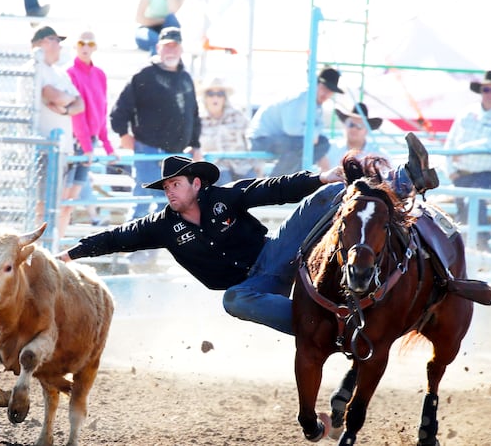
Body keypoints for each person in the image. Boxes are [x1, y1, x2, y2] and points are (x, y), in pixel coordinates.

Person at [55, 134, 438, 335]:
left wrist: (320, 177)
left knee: (327, 193)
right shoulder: (162, 226)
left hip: (276, 256)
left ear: (196, 183)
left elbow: (270, 189)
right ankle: (318, 326)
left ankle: (406, 179)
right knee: (234, 300)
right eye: (166, 187)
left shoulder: (223, 198)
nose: (170, 191)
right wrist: (70, 255)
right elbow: (116, 237)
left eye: (175, 184)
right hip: (251, 285)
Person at [110, 26, 201, 265]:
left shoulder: (185, 78)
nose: (171, 50)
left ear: (181, 49)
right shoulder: (144, 75)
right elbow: (120, 110)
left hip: (176, 153)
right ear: (158, 47)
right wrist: (123, 134)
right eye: (167, 45)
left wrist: (196, 144)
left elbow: (193, 113)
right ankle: (129, 251)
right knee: (144, 199)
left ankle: (146, 257)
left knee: (169, 204)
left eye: (175, 45)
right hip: (149, 149)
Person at [18, 25, 85, 235]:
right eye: (55, 40)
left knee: (54, 203)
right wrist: (65, 100)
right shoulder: (34, 67)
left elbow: (79, 104)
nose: (59, 46)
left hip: (59, 149)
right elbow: (52, 95)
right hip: (42, 148)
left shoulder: (58, 72)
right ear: (43, 42)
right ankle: (38, 245)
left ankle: (48, 244)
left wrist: (65, 107)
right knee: (41, 203)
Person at [443, 70, 491, 252]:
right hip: (461, 173)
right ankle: (467, 254)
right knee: (463, 213)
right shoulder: (467, 112)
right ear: (481, 91)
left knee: (472, 206)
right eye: (486, 89)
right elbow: (451, 140)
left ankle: (481, 250)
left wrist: (464, 150)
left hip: (487, 172)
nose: (490, 93)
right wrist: (450, 170)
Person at [248, 67, 342, 177]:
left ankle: (283, 179)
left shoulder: (314, 104)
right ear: (316, 84)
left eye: (330, 91)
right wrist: (314, 136)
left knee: (319, 144)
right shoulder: (300, 99)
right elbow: (292, 129)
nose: (326, 93)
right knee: (306, 144)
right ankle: (278, 180)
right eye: (324, 88)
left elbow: (316, 131)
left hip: (276, 139)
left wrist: (314, 136)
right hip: (261, 140)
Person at [65, 30, 116, 230]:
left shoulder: (100, 74)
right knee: (65, 198)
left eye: (90, 44)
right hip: (76, 140)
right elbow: (76, 114)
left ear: (95, 47)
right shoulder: (70, 73)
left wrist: (107, 146)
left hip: (88, 141)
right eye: (81, 43)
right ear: (75, 46)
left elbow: (101, 111)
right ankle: (54, 238)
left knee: (71, 200)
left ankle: (57, 238)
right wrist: (86, 146)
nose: (85, 47)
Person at [198, 76, 259, 184]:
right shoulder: (197, 120)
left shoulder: (238, 115)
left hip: (242, 166)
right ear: (205, 97)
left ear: (224, 97)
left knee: (254, 187)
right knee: (224, 184)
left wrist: (257, 165)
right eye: (210, 94)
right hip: (215, 168)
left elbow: (251, 140)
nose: (215, 98)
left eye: (220, 94)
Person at [326, 103, 390, 166]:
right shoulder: (329, 149)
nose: (354, 129)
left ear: (367, 130)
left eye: (360, 126)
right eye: (351, 124)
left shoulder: (379, 156)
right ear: (344, 125)